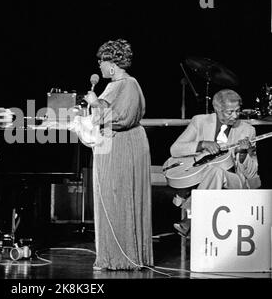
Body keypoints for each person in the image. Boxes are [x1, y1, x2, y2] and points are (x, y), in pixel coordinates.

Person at [83, 39, 153, 270]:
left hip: (124, 146)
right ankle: (110, 256)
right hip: (110, 145)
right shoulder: (113, 85)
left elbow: (123, 118)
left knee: (120, 196)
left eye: (102, 61)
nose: (99, 66)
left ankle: (125, 257)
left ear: (112, 63)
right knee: (109, 198)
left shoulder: (129, 84)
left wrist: (96, 105)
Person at [170, 89, 261, 237]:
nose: (235, 116)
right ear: (217, 110)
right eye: (229, 112)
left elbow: (252, 173)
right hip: (203, 176)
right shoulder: (200, 121)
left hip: (235, 180)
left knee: (216, 171)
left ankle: (190, 219)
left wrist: (243, 154)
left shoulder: (248, 130)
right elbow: (175, 150)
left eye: (238, 111)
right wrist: (202, 144)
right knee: (214, 171)